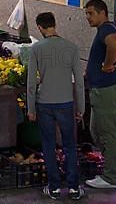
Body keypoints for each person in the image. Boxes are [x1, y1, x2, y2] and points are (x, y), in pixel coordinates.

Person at [27, 12, 85, 200]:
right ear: (54, 24)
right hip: (66, 102)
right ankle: (74, 187)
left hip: (44, 103)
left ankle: (54, 187)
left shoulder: (36, 49)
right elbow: (79, 82)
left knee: (49, 145)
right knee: (69, 145)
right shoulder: (71, 47)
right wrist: (81, 108)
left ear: (40, 28)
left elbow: (30, 83)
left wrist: (31, 108)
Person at [83, 0, 116, 189]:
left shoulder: (107, 29)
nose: (88, 17)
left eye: (91, 13)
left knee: (107, 133)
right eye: (86, 14)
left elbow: (115, 46)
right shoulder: (105, 29)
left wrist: (108, 64)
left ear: (103, 13)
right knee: (97, 131)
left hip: (107, 89)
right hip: (103, 89)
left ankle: (110, 178)